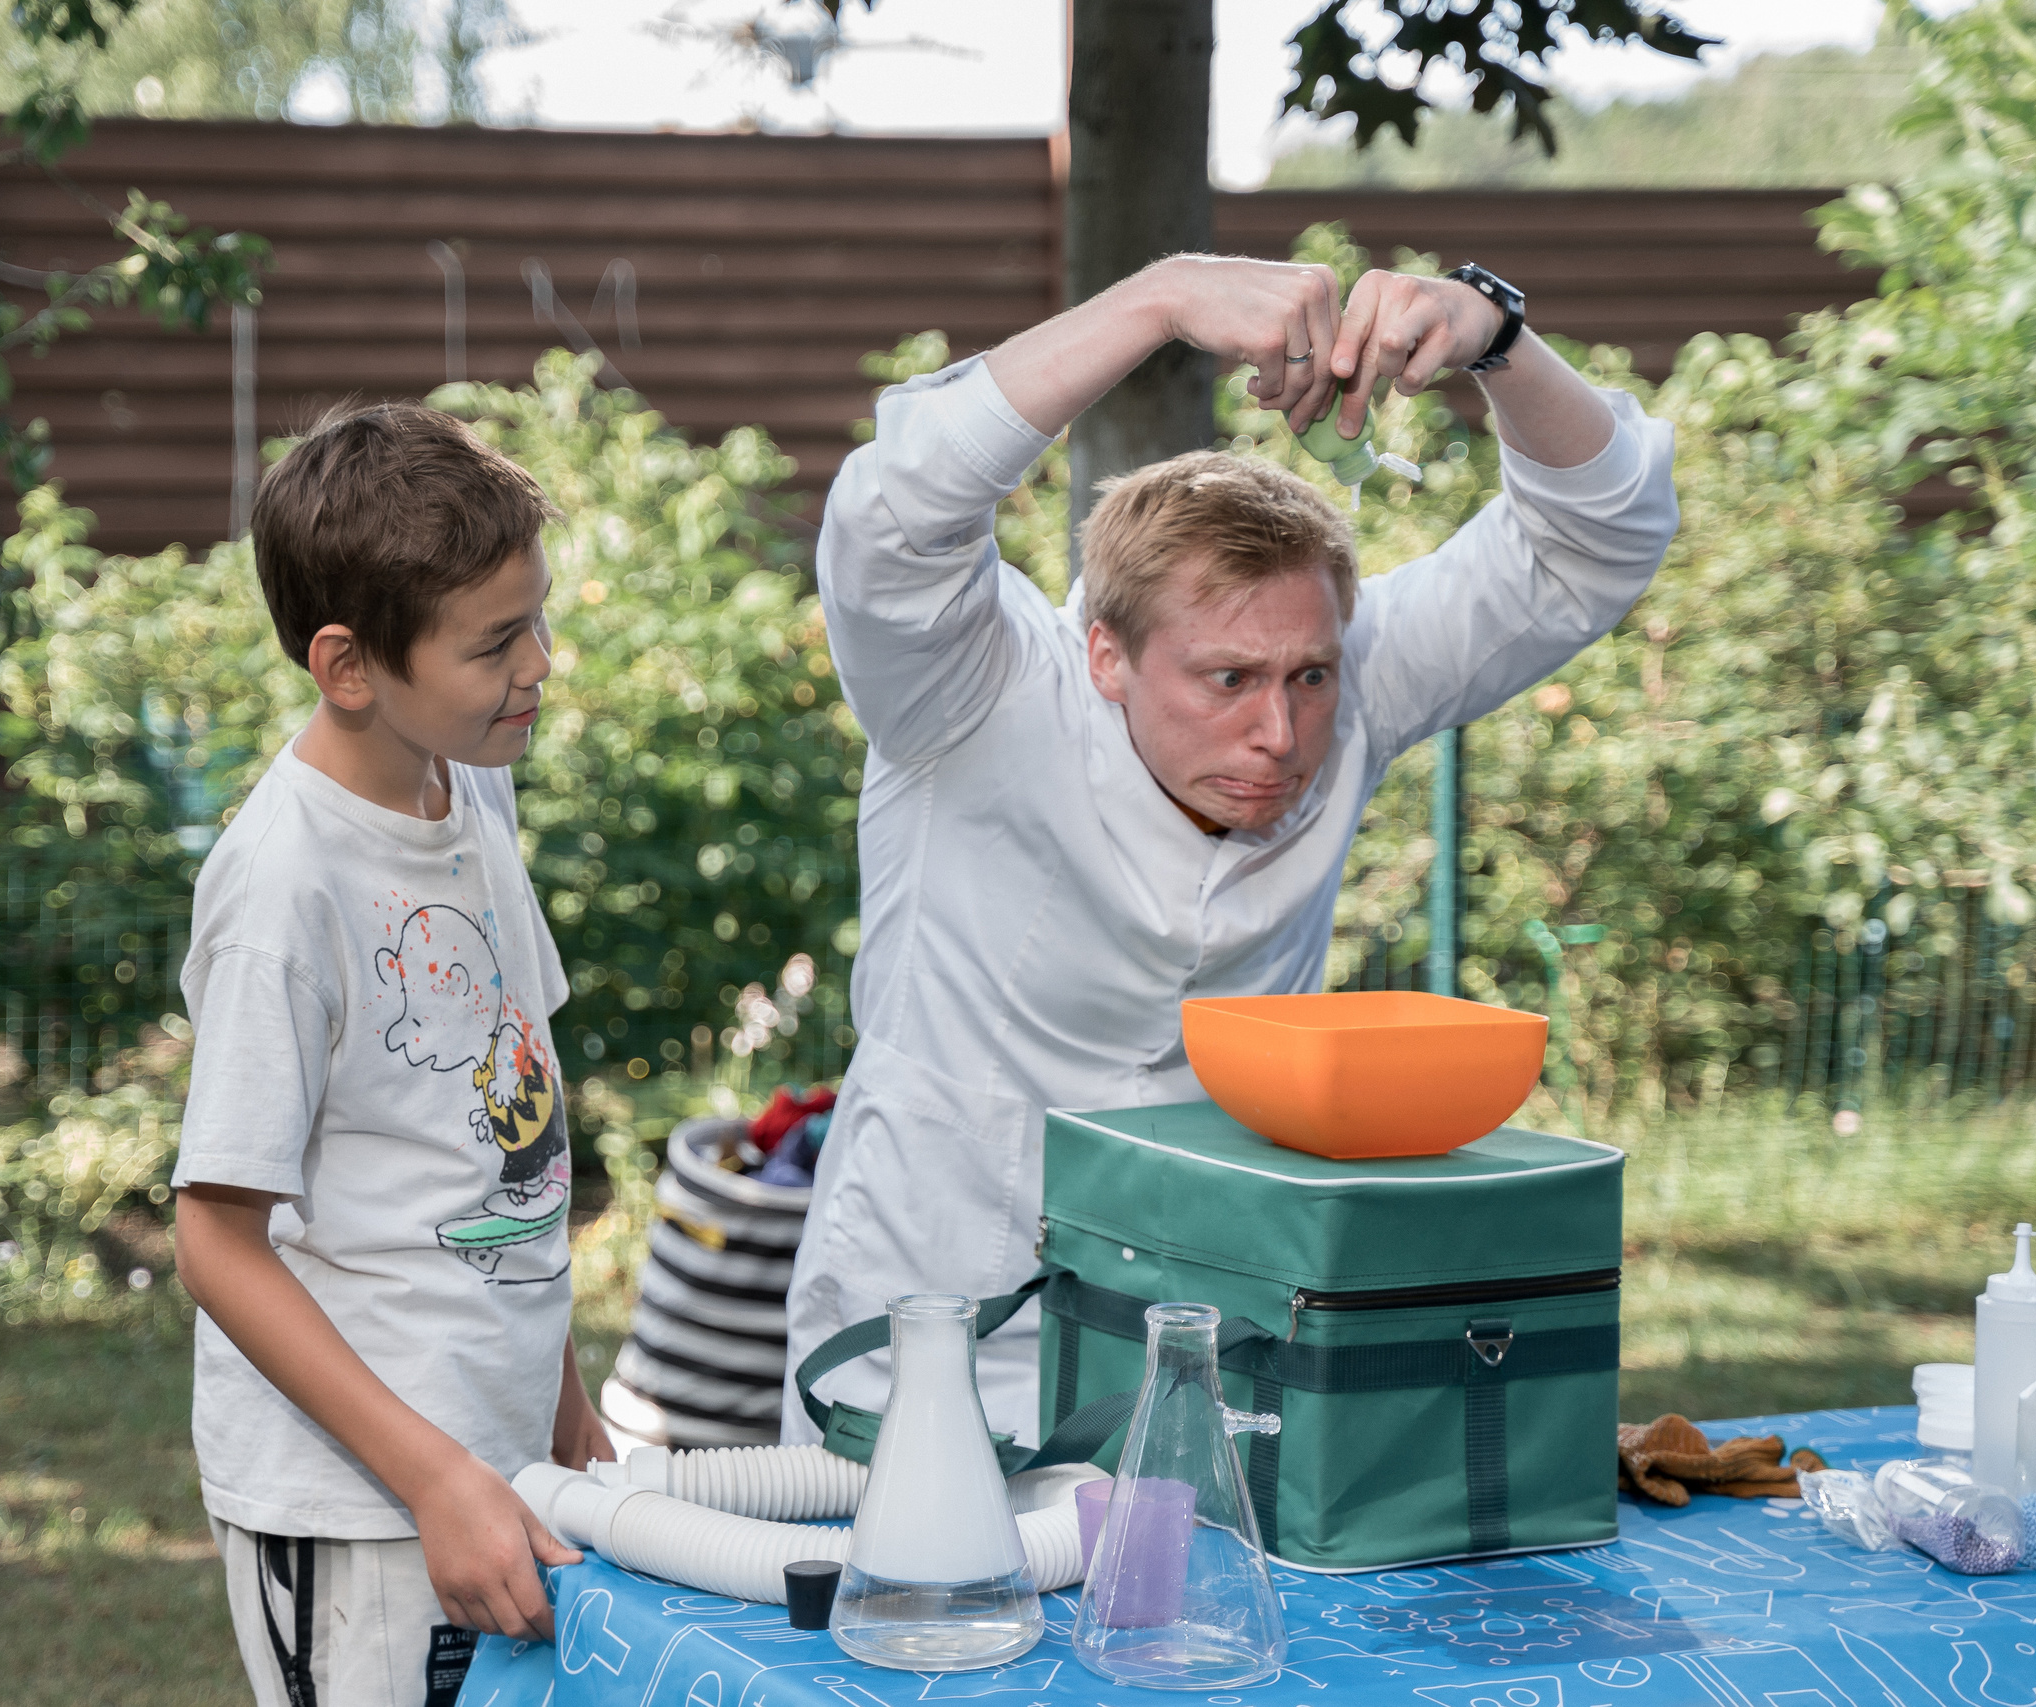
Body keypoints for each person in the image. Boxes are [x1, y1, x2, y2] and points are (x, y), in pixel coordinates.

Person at [782, 255, 1680, 1444]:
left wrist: (1496, 339)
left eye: (1309, 675)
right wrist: (1154, 301)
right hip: (926, 1354)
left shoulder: (1353, 680)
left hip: (1213, 1355)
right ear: (1107, 655)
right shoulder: (975, 693)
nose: (1280, 731)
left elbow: (1595, 542)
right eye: (1227, 680)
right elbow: (888, 513)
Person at [171, 402, 612, 1707]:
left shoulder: (465, 782)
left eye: (536, 616)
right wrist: (431, 1475)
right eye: (494, 642)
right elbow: (215, 1237)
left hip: (495, 1467)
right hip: (362, 1510)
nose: (540, 662)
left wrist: (560, 1405)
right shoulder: (285, 889)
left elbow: (508, 1149)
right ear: (349, 664)